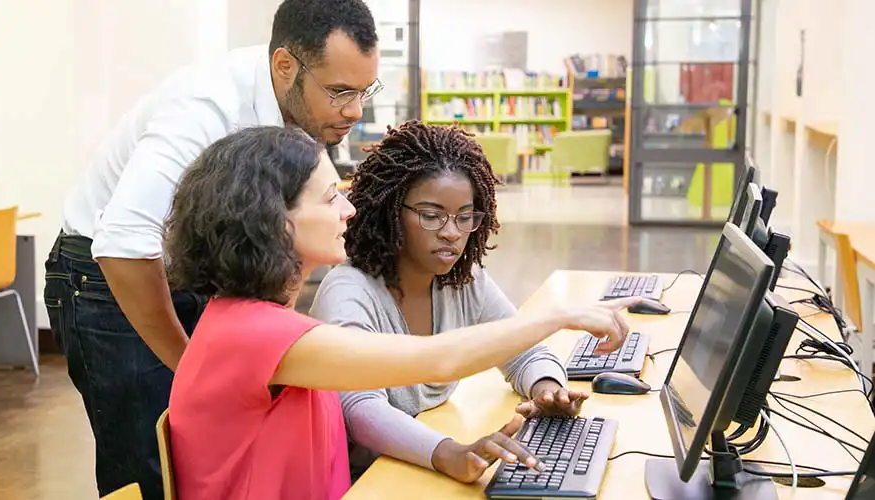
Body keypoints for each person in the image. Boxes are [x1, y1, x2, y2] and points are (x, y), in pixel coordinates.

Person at [165, 125, 638, 500]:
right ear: (273, 218)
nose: (349, 209)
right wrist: (556, 316)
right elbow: (436, 360)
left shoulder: (253, 320)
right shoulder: (255, 333)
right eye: (331, 197)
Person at [41, 1, 381, 497]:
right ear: (285, 65)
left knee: (207, 454)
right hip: (105, 276)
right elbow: (122, 243)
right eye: (340, 92)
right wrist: (193, 368)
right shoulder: (207, 105)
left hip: (179, 272)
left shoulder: (298, 106)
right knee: (151, 468)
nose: (355, 111)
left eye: (364, 91)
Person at [308, 120, 588, 483]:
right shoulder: (348, 291)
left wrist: (548, 390)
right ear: (391, 212)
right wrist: (448, 453)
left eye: (464, 217)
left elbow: (524, 351)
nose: (452, 233)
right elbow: (359, 407)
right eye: (431, 216)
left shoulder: (463, 280)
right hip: (365, 478)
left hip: (427, 468)